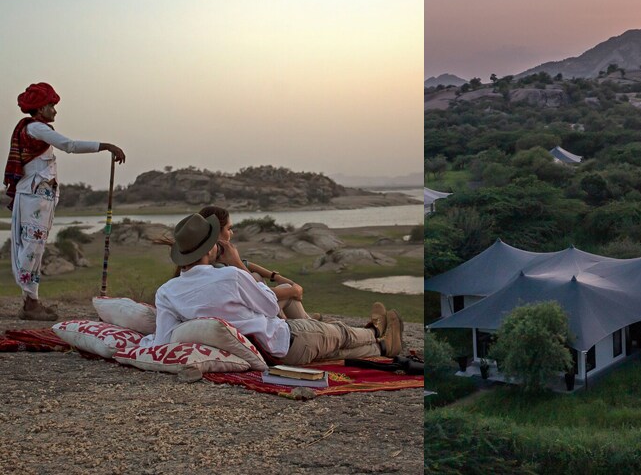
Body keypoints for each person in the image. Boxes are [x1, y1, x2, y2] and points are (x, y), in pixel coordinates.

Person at [144, 213, 403, 364]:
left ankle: (382, 348)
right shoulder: (231, 277)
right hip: (288, 340)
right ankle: (376, 331)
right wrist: (237, 265)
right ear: (211, 248)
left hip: (273, 358)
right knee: (341, 336)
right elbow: (269, 307)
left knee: (337, 350)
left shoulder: (167, 291)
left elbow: (162, 340)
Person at [4, 83, 126, 320]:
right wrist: (106, 146)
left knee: (35, 248)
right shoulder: (37, 128)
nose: (55, 111)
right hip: (33, 198)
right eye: (51, 105)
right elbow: (68, 145)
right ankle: (30, 304)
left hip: (38, 198)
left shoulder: (36, 129)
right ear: (40, 108)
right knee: (31, 248)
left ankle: (32, 301)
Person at [198, 205, 317, 321]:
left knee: (256, 276)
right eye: (229, 229)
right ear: (216, 232)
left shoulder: (207, 259)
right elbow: (258, 294)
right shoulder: (218, 267)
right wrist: (293, 290)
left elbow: (247, 265)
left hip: (243, 308)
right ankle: (307, 323)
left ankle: (296, 319)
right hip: (244, 316)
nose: (232, 233)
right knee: (286, 290)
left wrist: (275, 276)